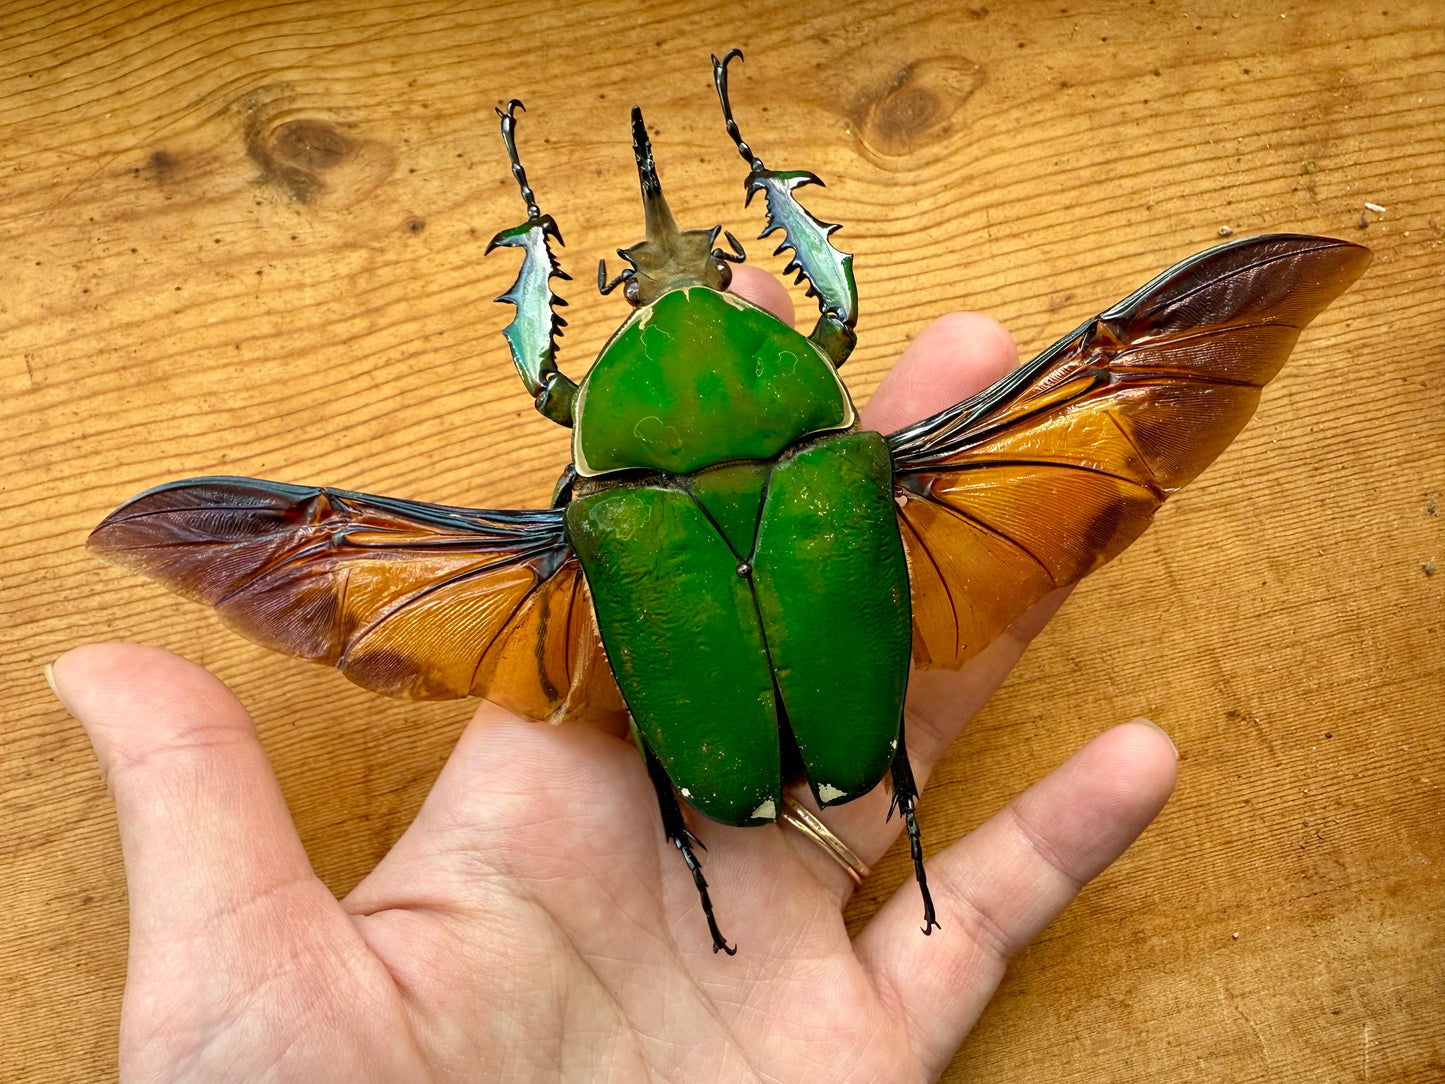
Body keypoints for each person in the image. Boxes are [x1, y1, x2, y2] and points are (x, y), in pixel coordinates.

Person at [48, 265, 1178, 1081]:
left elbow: (339, 536)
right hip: (848, 735)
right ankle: (861, 818)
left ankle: (700, 839)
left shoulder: (593, 518)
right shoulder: (853, 459)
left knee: (602, 688)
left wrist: (528, 256)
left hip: (709, 764)